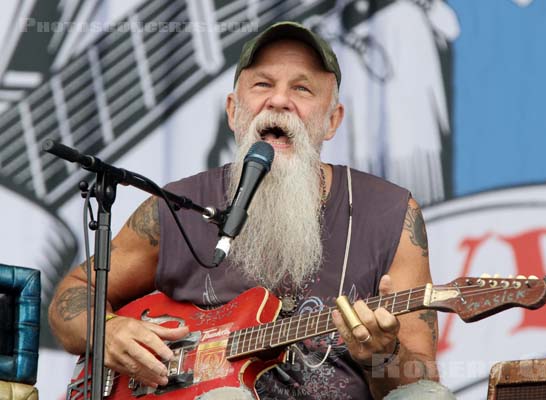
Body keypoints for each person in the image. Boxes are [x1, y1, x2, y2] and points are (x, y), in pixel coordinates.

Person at [49, 21, 455, 400]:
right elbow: (71, 295)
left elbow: (415, 380)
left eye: (303, 89)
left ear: (332, 120)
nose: (279, 101)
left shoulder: (390, 214)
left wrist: (379, 355)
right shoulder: (177, 207)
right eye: (262, 84)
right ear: (233, 111)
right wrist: (109, 331)